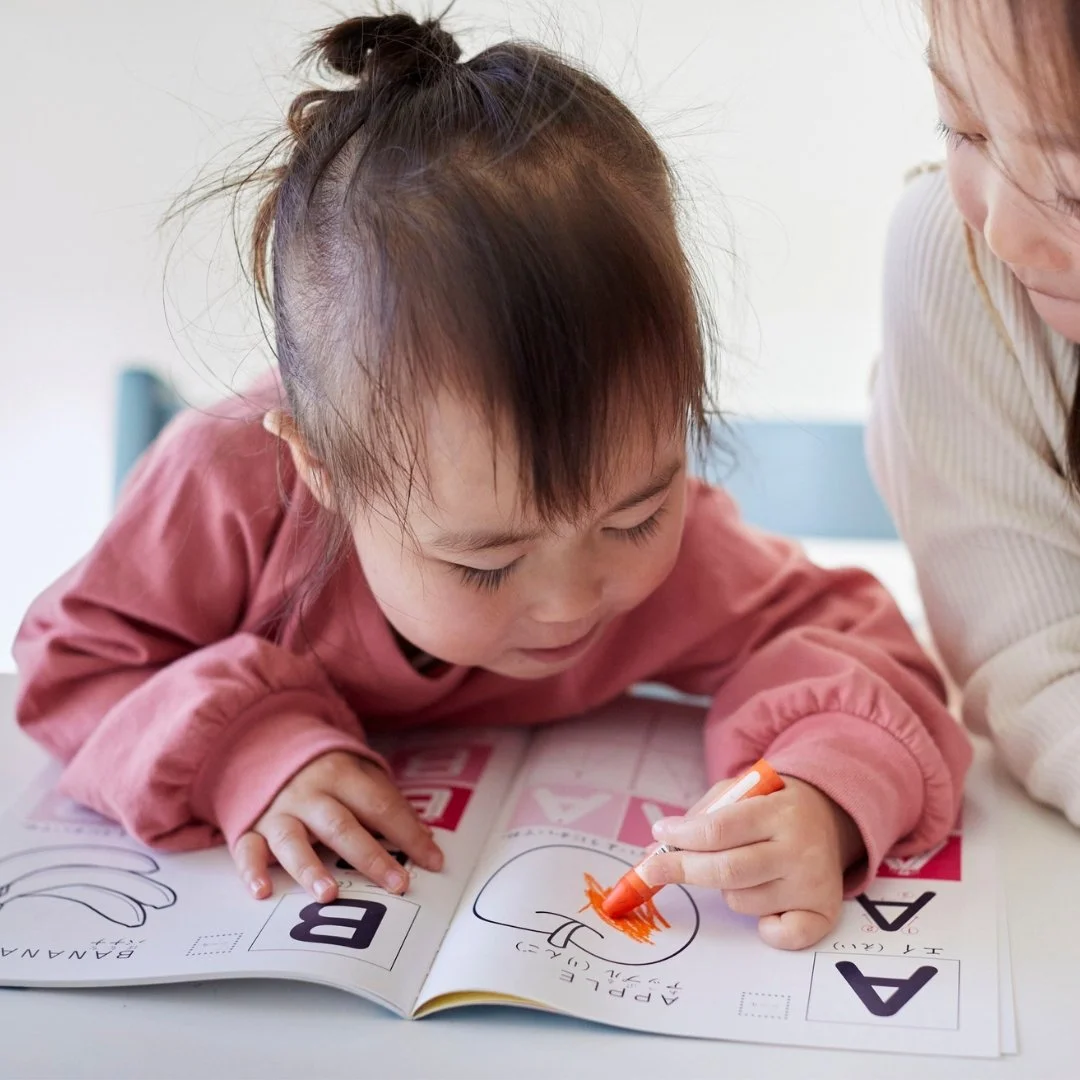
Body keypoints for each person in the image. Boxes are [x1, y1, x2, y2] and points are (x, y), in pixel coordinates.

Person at [14, 12, 970, 951]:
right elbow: (76, 667)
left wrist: (828, 794)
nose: (571, 600)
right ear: (323, 469)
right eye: (485, 562)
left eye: (635, 515)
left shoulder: (661, 548)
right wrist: (239, 750)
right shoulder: (224, 485)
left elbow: (851, 642)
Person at [868, 0, 1080, 827]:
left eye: (1071, 189)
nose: (1002, 228)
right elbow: (1039, 668)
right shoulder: (954, 261)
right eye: (961, 127)